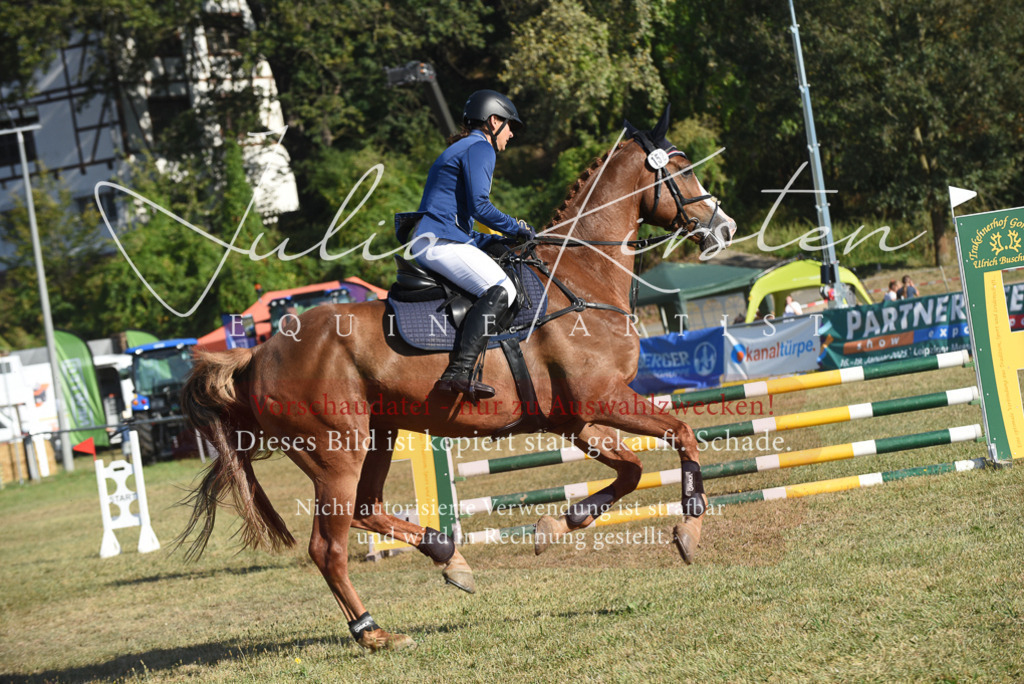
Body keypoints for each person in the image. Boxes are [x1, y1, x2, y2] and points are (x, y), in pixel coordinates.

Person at [402, 90, 534, 401]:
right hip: (437, 240)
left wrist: (498, 239)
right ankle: (458, 372)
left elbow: (465, 224)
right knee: (503, 289)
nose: (512, 133)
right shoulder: (480, 147)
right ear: (493, 121)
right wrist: (518, 227)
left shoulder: (465, 146)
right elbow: (480, 206)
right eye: (510, 125)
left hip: (439, 236)